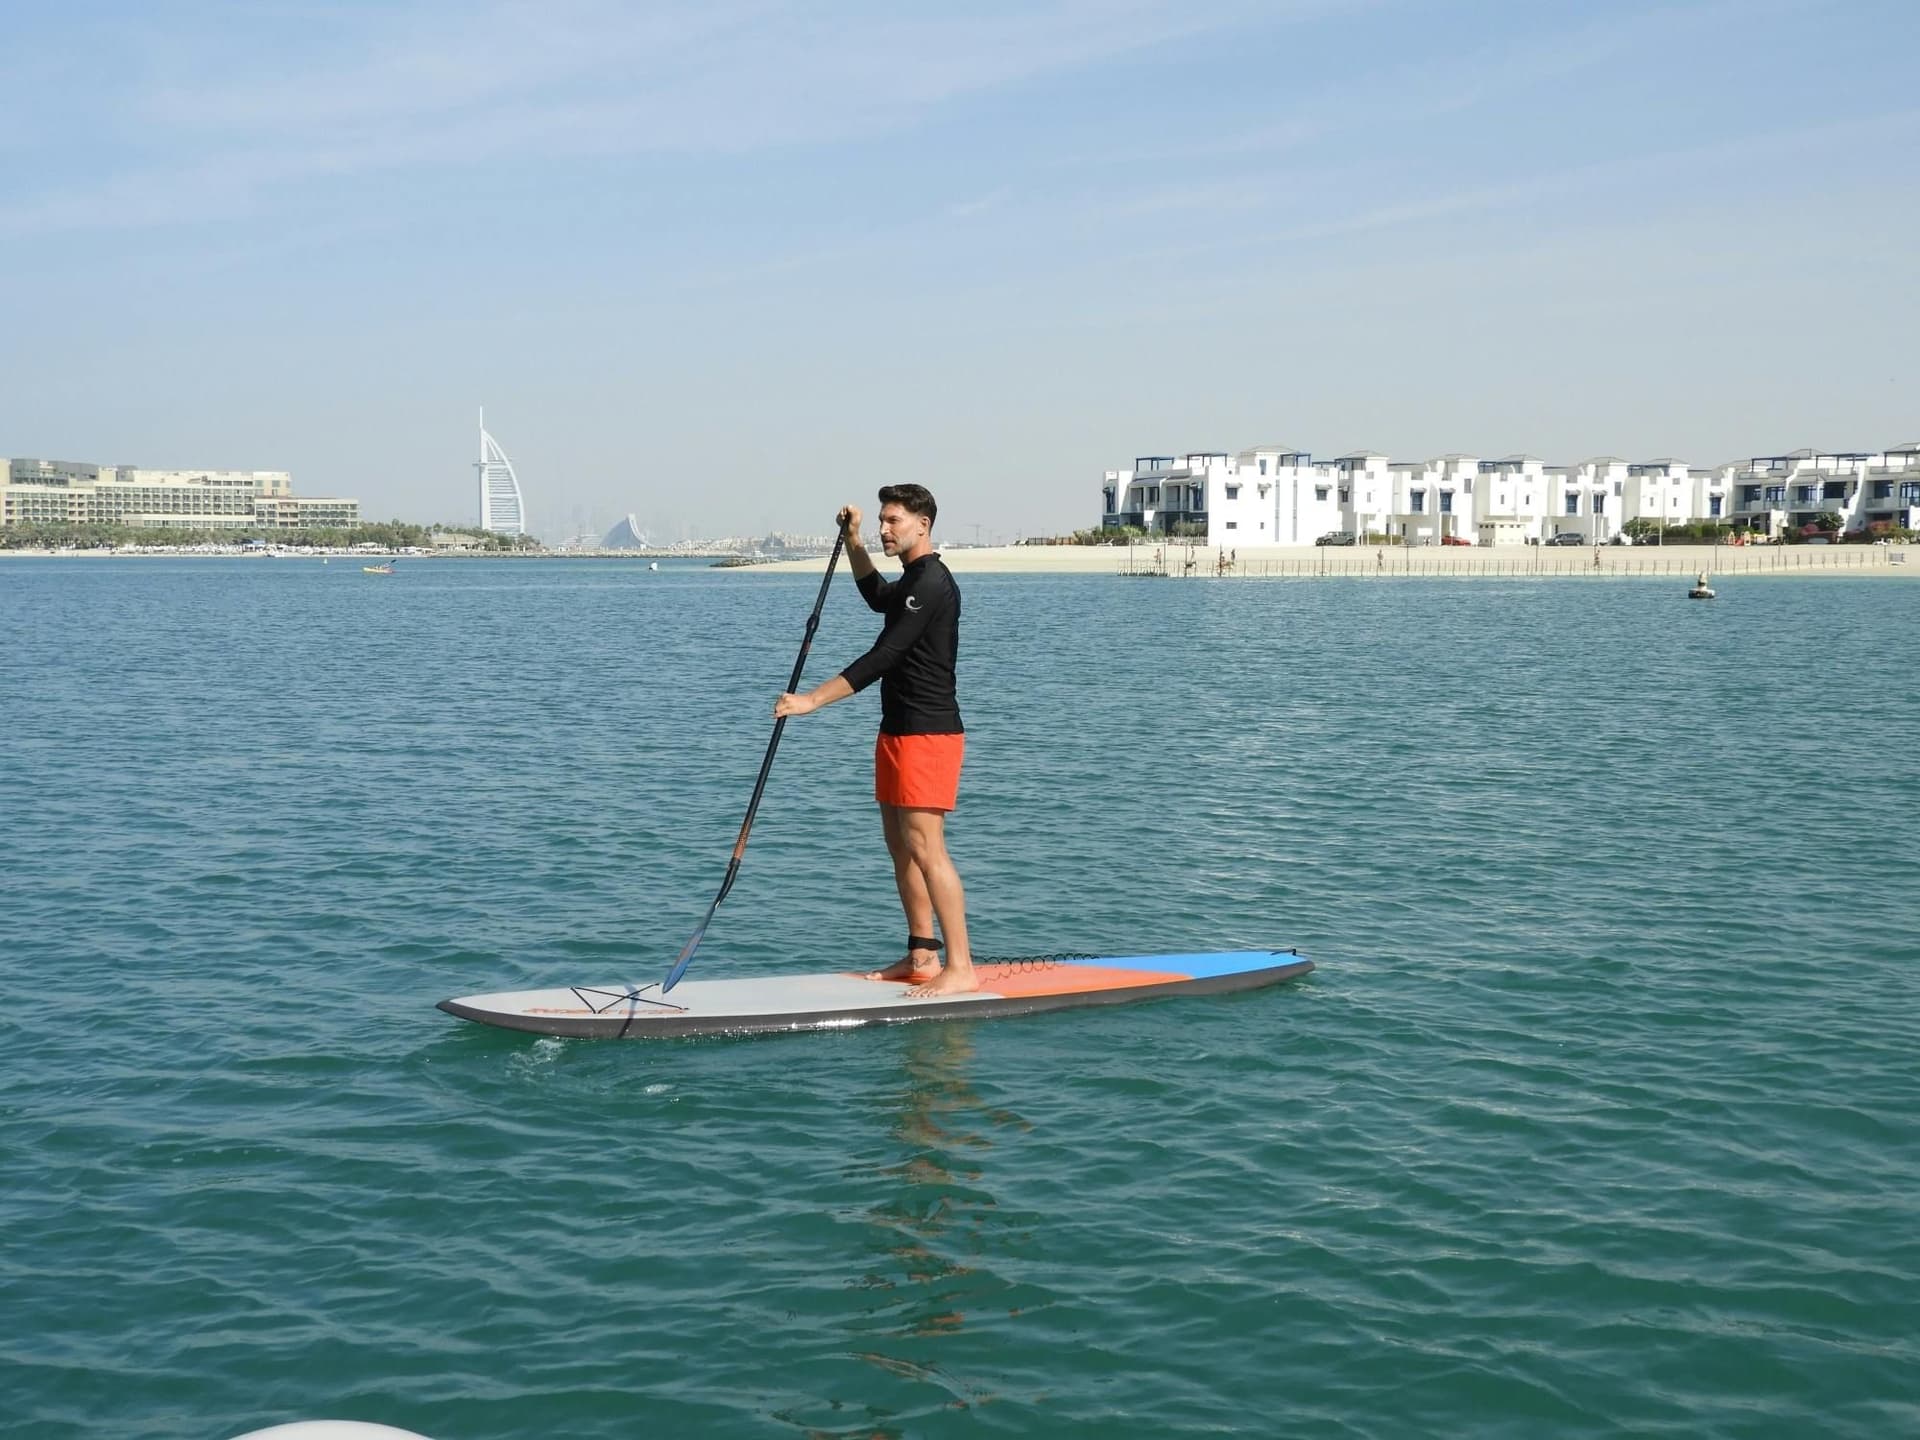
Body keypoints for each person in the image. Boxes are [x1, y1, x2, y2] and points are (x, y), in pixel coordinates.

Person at [773, 485, 975, 996]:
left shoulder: (932, 583)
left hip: (929, 733)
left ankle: (962, 968)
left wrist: (811, 701)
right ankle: (923, 956)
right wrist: (855, 539)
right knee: (900, 849)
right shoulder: (910, 581)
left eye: (893, 521)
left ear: (922, 524)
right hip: (897, 730)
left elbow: (884, 655)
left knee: (929, 851)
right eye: (882, 521)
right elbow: (876, 597)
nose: (887, 529)